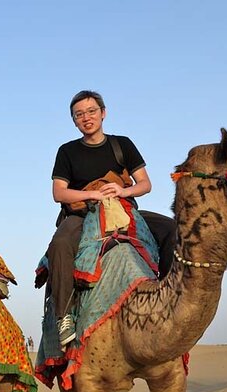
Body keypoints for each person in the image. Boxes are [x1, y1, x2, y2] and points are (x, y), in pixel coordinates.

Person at [47, 90, 176, 346]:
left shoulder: (122, 145)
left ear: (103, 113)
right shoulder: (67, 151)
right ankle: (64, 315)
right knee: (60, 244)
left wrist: (122, 190)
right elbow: (58, 193)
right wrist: (94, 193)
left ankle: (167, 292)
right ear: (74, 121)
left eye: (91, 111)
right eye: (79, 114)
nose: (86, 117)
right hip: (83, 212)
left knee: (172, 229)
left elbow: (145, 184)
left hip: (123, 208)